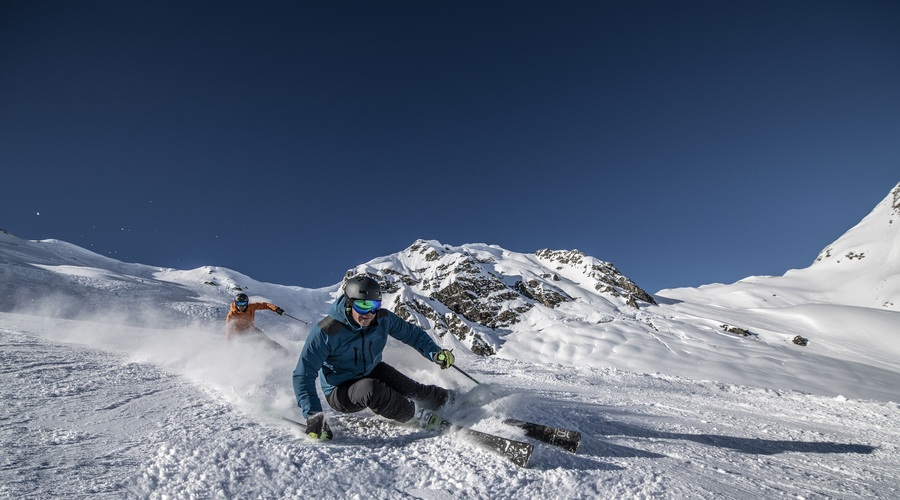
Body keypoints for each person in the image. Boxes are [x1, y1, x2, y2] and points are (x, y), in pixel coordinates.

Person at [292, 275, 456, 440]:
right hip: (340, 390)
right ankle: (417, 416)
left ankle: (452, 400)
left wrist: (435, 352)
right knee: (373, 390)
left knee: (416, 391)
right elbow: (303, 374)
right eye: (363, 306)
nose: (369, 313)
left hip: (372, 370)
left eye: (374, 306)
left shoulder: (382, 319)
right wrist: (313, 415)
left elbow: (412, 335)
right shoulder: (326, 332)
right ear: (349, 304)